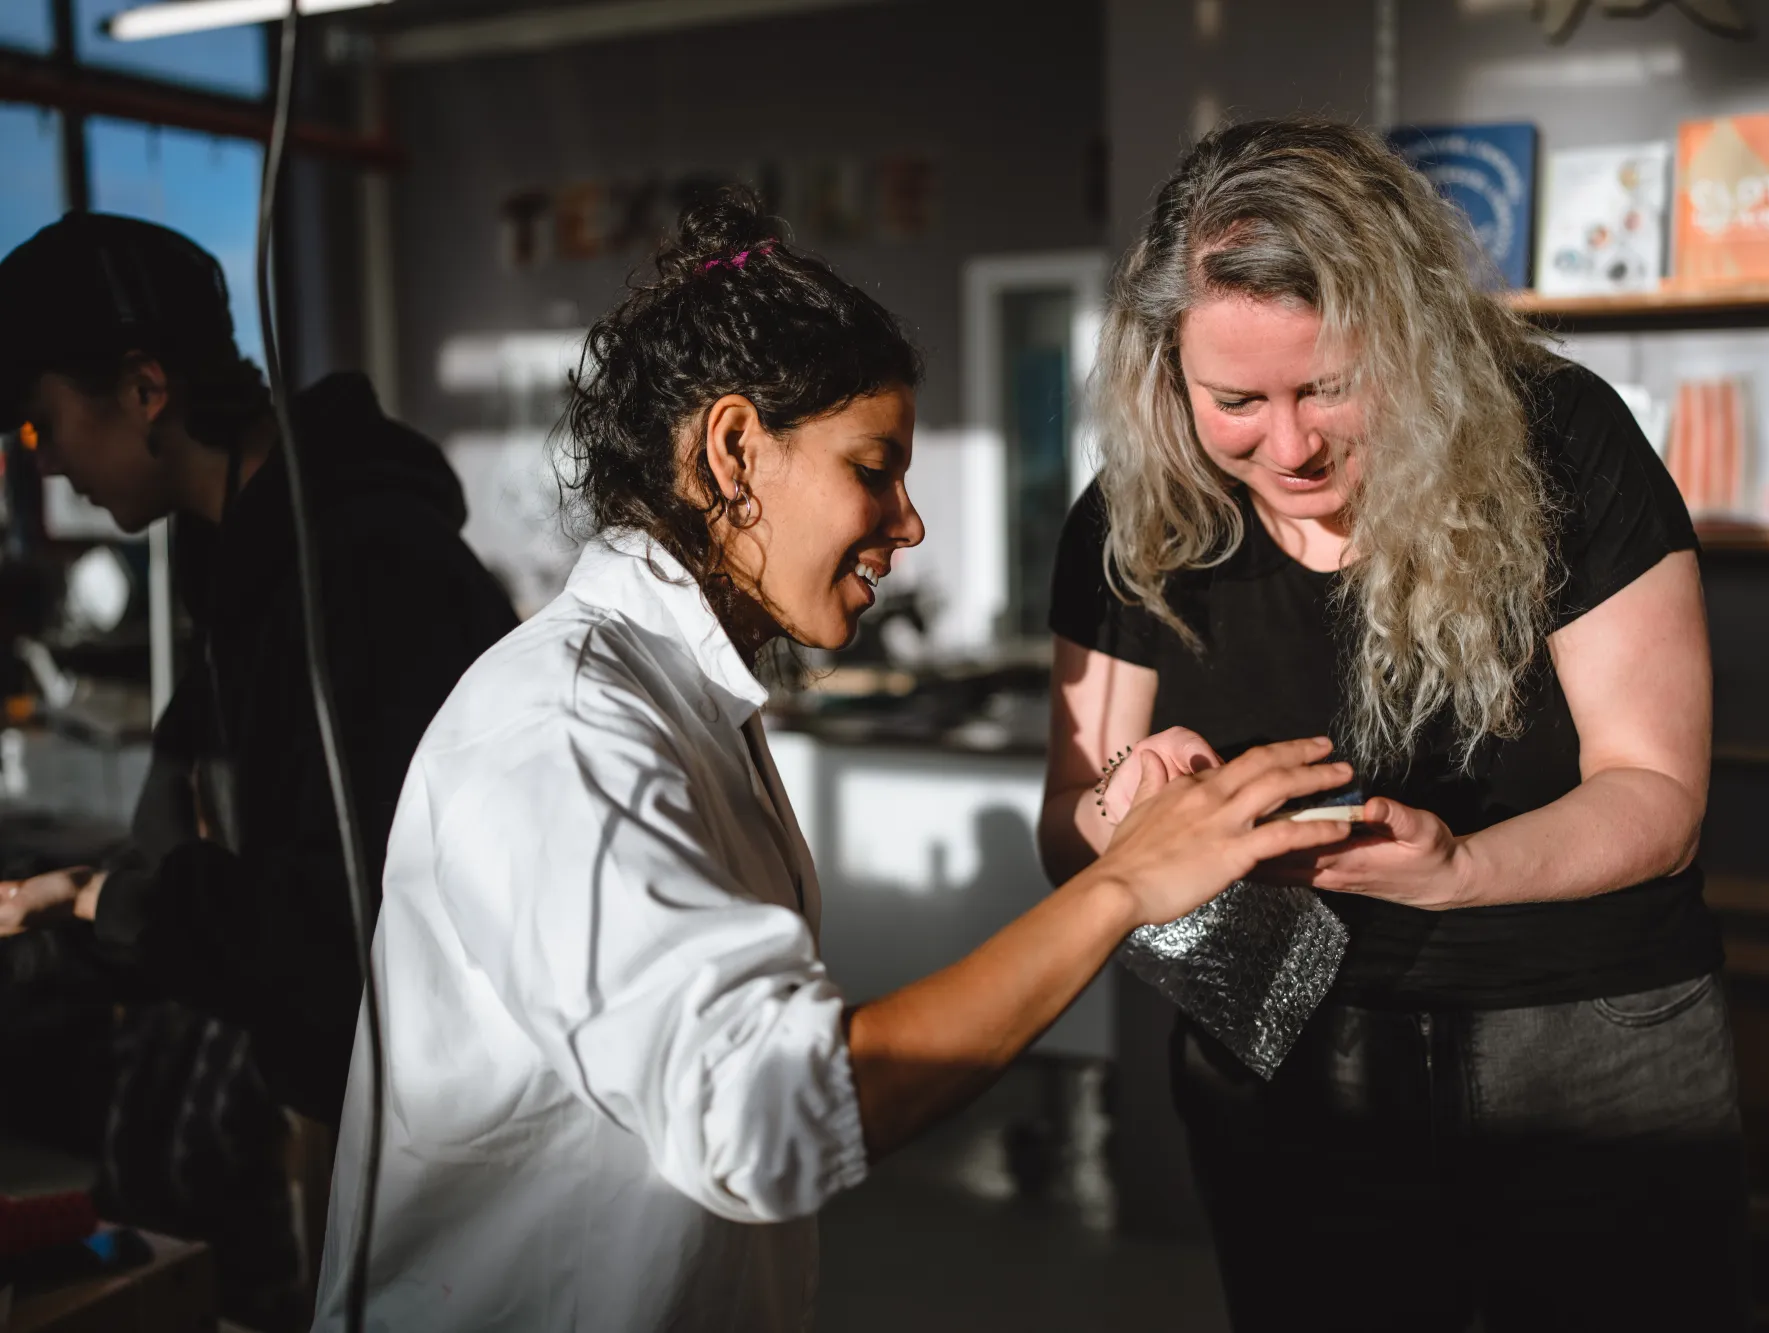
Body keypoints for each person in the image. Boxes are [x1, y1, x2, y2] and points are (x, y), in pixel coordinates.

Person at [310, 188, 1354, 1332]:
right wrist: (1123, 885)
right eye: (871, 467)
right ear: (731, 451)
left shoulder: (687, 702)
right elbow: (761, 1113)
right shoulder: (562, 731)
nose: (908, 523)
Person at [1039, 119, 1745, 1332]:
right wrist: (1125, 812)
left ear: (1413, 338)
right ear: (1167, 372)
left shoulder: (1560, 440)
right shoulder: (1133, 519)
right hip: (1281, 1054)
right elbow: (1069, 833)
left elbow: (1656, 794)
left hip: (1583, 1034)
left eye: (1327, 386)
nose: (1289, 445)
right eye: (1234, 401)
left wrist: (1460, 870)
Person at [0, 213, 519, 1322]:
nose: (41, 464)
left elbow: (333, 934)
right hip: (349, 1093)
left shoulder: (358, 570)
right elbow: (200, 824)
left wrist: (106, 904)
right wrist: (86, 903)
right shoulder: (239, 556)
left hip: (436, 1120)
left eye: (41, 425)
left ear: (145, 388)